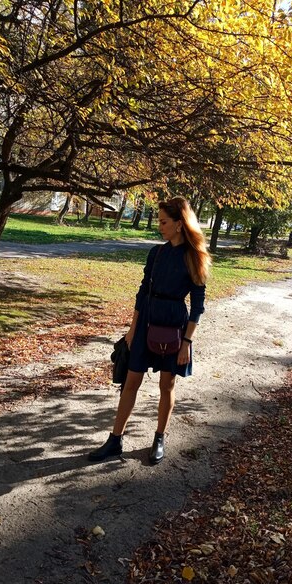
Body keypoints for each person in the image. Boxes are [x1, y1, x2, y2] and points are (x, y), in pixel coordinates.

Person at [88, 196, 211, 465]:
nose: (160, 226)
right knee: (130, 382)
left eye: (164, 222)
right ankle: (114, 440)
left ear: (180, 224)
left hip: (174, 326)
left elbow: (198, 306)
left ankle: (159, 438)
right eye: (159, 221)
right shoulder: (156, 253)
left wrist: (187, 342)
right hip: (146, 324)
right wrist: (132, 331)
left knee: (167, 384)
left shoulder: (194, 258)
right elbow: (142, 293)